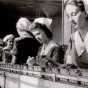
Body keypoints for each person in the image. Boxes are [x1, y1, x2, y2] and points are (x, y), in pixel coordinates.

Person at [64, 0, 88, 68]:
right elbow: (68, 66)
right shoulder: (73, 38)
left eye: (73, 14)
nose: (70, 20)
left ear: (85, 12)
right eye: (68, 16)